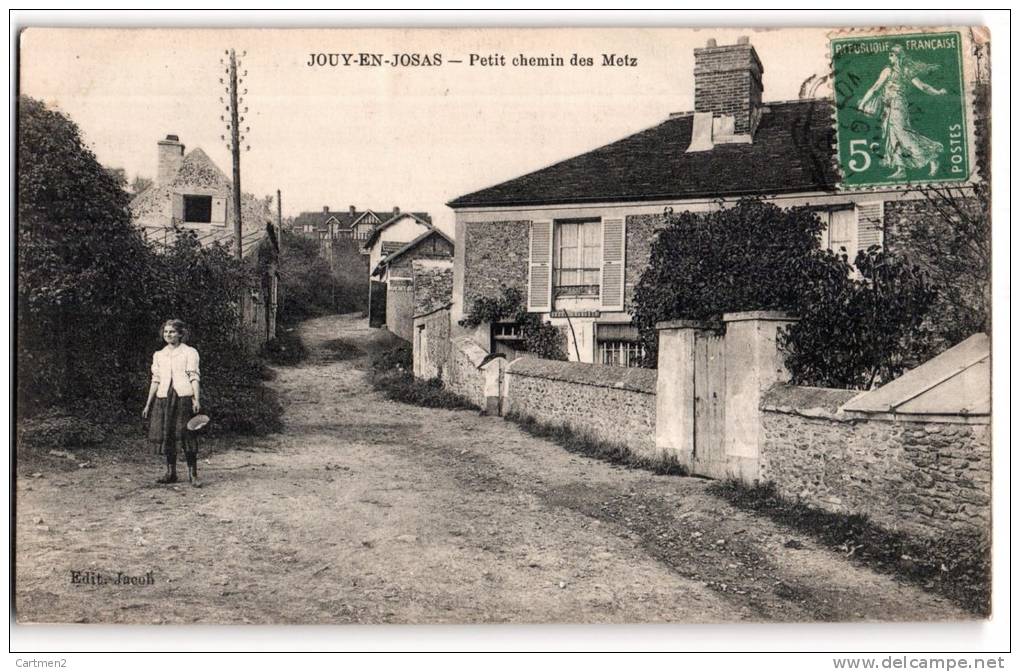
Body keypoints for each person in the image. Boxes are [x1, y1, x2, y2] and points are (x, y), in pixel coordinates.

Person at [856, 45, 948, 179]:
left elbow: (922, 86)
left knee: (903, 134)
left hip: (898, 105)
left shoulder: (901, 70)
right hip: (888, 107)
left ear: (898, 56)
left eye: (892, 55)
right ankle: (901, 168)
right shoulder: (895, 70)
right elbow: (876, 88)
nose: (890, 57)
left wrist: (937, 92)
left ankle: (931, 157)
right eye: (889, 55)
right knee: (892, 136)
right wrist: (864, 102)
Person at [142, 319, 202, 487]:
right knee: (167, 434)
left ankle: (193, 474)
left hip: (182, 397)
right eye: (166, 332)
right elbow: (156, 380)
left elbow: (194, 377)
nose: (168, 335)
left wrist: (196, 399)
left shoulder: (189, 352)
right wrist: (148, 404)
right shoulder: (159, 355)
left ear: (181, 334)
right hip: (163, 398)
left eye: (172, 332)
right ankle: (171, 473)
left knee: (186, 434)